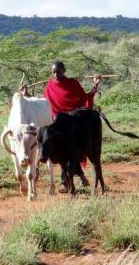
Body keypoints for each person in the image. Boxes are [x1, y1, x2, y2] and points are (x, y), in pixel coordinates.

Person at [43, 61, 101, 192]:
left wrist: (96, 84)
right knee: (62, 153)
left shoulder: (73, 84)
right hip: (58, 125)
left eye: (58, 71)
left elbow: (85, 98)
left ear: (64, 70)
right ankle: (77, 178)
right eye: (53, 72)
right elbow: (43, 103)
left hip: (74, 124)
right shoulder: (49, 86)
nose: (56, 74)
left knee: (73, 151)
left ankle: (69, 182)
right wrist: (26, 95)